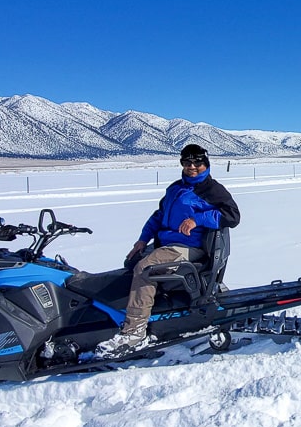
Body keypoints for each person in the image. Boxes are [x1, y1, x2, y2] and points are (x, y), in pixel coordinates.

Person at [96, 144, 240, 358]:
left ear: (206, 163)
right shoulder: (176, 188)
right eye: (187, 162)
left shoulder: (212, 190)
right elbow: (159, 215)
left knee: (145, 269)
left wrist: (197, 219)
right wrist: (142, 240)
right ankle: (146, 311)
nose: (192, 167)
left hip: (190, 246)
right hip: (167, 244)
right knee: (132, 264)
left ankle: (135, 331)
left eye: (197, 162)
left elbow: (232, 216)